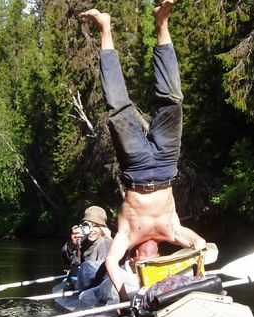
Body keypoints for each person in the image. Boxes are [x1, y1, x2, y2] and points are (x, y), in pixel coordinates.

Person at [80, 1, 206, 300]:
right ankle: (162, 23)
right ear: (139, 260)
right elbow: (200, 244)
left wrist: (126, 294)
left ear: (135, 256)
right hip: (165, 164)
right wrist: (198, 272)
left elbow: (111, 260)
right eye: (151, 258)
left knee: (118, 107)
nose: (148, 256)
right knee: (172, 100)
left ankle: (105, 28)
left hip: (135, 167)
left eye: (146, 259)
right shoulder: (172, 232)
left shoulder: (127, 236)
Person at [62, 205, 112, 290]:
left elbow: (101, 274)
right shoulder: (82, 241)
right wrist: (72, 245)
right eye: (88, 226)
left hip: (95, 288)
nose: (92, 230)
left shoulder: (105, 243)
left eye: (95, 226)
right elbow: (68, 261)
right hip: (79, 283)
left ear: (102, 228)